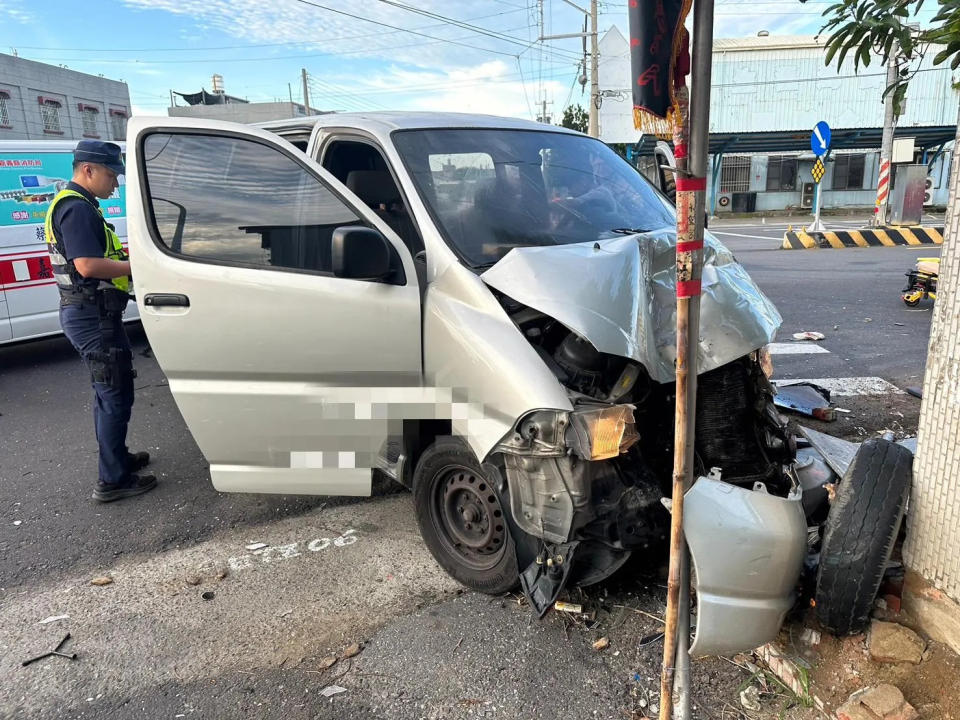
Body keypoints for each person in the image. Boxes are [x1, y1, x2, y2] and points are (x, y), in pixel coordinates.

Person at [44, 140, 157, 502]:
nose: (115, 183)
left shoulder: (78, 204)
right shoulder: (76, 208)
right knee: (114, 393)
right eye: (111, 174)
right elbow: (87, 265)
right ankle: (113, 481)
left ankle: (117, 459)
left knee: (108, 391)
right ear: (88, 170)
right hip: (90, 316)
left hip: (92, 313)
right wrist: (138, 267)